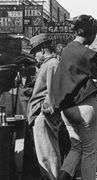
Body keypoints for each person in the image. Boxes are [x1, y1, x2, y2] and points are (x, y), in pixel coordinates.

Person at [50, 15, 97, 180]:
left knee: (76, 148)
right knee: (91, 151)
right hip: (85, 105)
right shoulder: (87, 53)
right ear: (92, 34)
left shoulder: (66, 50)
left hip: (66, 109)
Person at [28, 33, 62, 180]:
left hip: (43, 115)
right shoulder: (50, 64)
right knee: (46, 155)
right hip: (42, 114)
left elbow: (52, 91)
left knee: (48, 156)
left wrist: (45, 109)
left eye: (35, 52)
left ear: (42, 50)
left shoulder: (52, 64)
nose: (35, 56)